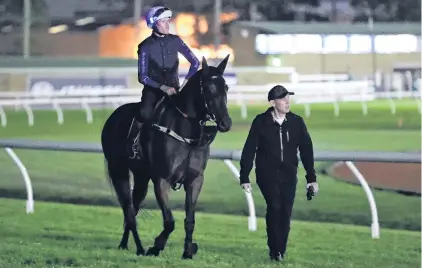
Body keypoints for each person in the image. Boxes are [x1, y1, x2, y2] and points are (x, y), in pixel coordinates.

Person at [238, 85, 319, 261]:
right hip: (267, 175)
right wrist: (244, 176)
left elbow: (306, 150)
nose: (287, 102)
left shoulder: (297, 122)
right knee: (275, 207)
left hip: (289, 175)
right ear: (273, 102)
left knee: (286, 211)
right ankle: (274, 250)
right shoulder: (261, 121)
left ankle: (280, 250)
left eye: (288, 98)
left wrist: (311, 178)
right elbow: (249, 149)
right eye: (283, 99)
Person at [127, 6, 200, 158]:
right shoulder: (145, 47)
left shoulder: (176, 41)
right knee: (144, 112)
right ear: (154, 23)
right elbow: (143, 77)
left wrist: (186, 81)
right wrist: (163, 87)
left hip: (175, 89)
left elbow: (195, 62)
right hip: (153, 92)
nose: (168, 25)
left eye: (168, 21)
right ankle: (132, 143)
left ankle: (196, 143)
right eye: (163, 22)